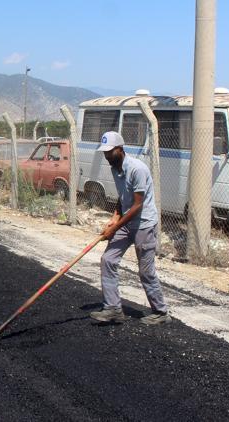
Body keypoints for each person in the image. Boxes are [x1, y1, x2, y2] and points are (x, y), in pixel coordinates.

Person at [89, 131, 169, 325]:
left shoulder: (137, 169)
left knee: (145, 271)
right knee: (108, 260)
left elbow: (137, 204)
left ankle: (161, 312)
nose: (107, 156)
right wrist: (113, 218)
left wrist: (116, 226)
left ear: (120, 149)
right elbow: (123, 198)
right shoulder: (115, 169)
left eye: (110, 152)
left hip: (144, 224)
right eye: (105, 152)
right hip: (126, 222)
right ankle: (113, 308)